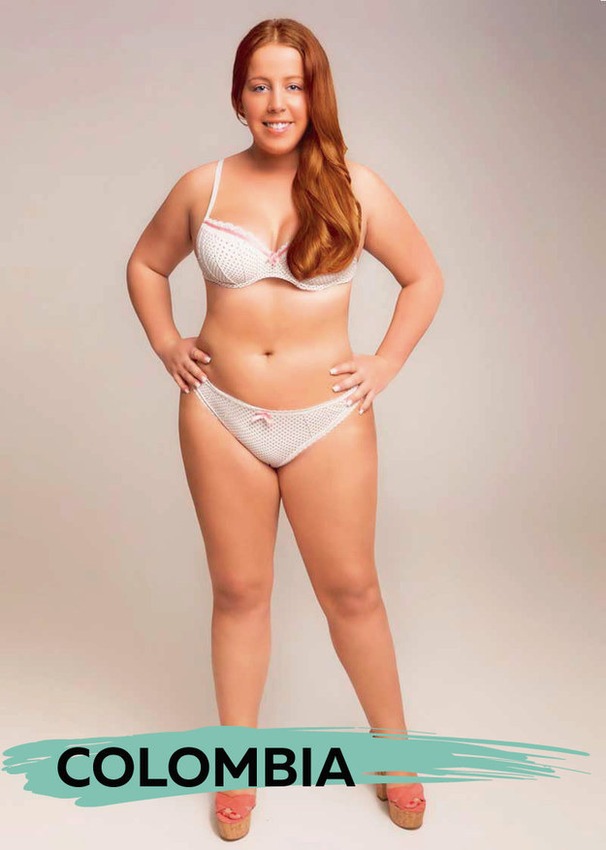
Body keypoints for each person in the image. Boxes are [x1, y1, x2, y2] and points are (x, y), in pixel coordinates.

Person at [126, 17, 444, 841]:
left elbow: (423, 278)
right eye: (261, 85)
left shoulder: (355, 186)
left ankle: (395, 755)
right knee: (239, 593)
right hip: (220, 413)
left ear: (315, 95)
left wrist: (386, 362)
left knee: (353, 592)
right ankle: (236, 766)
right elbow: (146, 264)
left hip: (327, 421)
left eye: (294, 86)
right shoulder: (203, 186)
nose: (277, 102)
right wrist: (167, 342)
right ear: (239, 96)